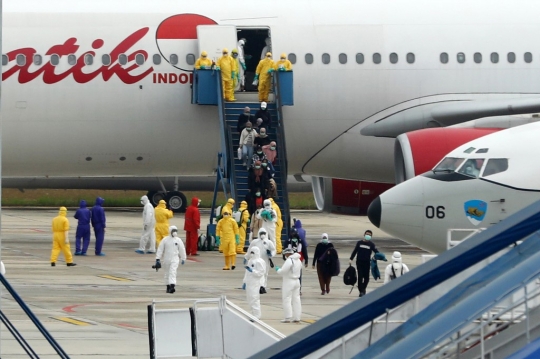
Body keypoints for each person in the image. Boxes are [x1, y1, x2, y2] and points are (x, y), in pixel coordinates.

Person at [154, 225, 186, 294]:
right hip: (166, 259)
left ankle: (172, 286)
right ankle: (168, 286)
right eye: (173, 231)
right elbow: (160, 249)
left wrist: (183, 258)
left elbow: (182, 249)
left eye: (175, 231)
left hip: (175, 259)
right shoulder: (165, 240)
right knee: (167, 273)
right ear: (170, 231)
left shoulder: (178, 240)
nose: (174, 232)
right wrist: (157, 259)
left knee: (173, 272)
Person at [245, 228, 276, 293]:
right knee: (256, 273)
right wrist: (246, 257)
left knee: (265, 274)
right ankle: (257, 286)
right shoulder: (255, 242)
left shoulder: (269, 242)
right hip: (256, 260)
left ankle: (263, 286)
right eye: (261, 233)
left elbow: (273, 250)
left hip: (265, 261)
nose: (263, 235)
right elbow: (250, 250)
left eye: (264, 233)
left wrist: (271, 254)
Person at [349, 230, 379, 297]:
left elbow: (376, 252)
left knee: (366, 278)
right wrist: (351, 258)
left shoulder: (371, 244)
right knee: (360, 277)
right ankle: (361, 291)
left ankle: (363, 289)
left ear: (371, 236)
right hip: (359, 262)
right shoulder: (359, 243)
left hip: (367, 263)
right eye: (367, 234)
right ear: (364, 235)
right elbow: (355, 251)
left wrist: (380, 256)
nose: (368, 236)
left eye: (369, 235)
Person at [275, 248, 302, 323]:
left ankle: (287, 317)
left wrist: (277, 269)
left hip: (289, 281)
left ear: (287, 254)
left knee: (287, 298)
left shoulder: (289, 260)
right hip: (297, 281)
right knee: (296, 299)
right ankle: (297, 317)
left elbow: (283, 271)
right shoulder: (298, 260)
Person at [243, 246, 266, 319]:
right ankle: (253, 314)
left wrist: (252, 271)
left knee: (254, 299)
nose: (252, 254)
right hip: (249, 283)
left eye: (253, 252)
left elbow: (261, 273)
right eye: (251, 252)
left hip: (256, 283)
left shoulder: (260, 261)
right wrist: (244, 282)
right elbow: (246, 273)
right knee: (250, 299)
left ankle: (257, 315)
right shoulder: (250, 261)